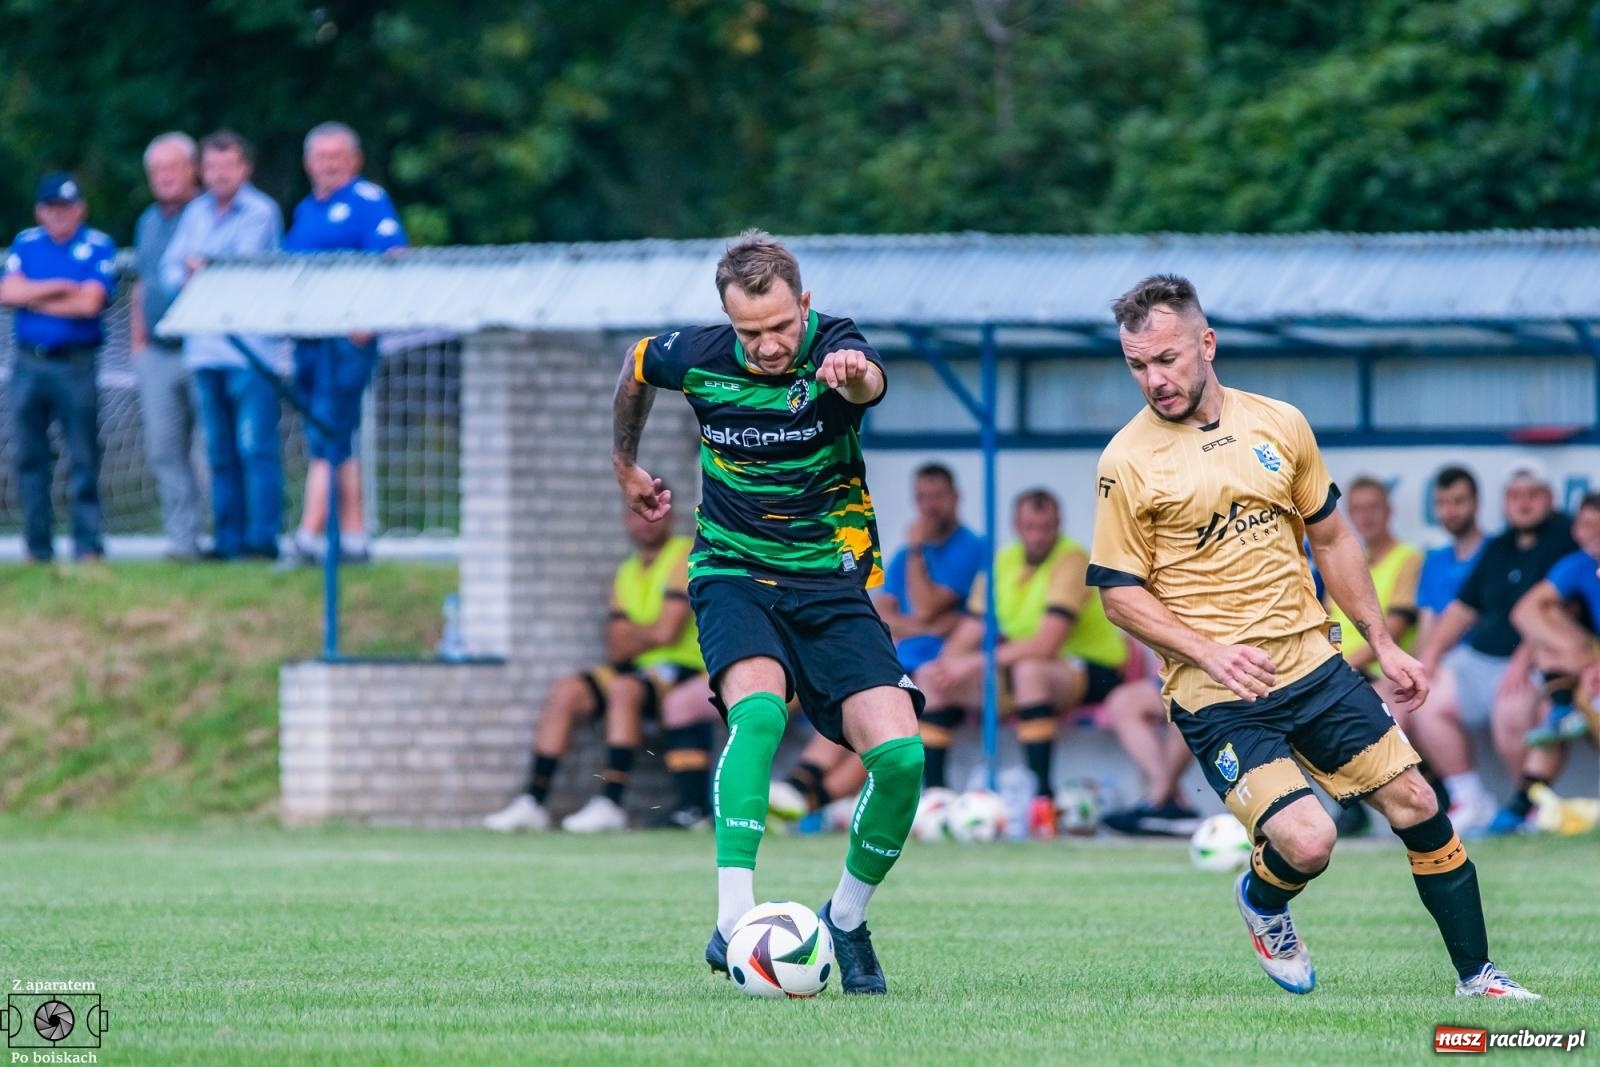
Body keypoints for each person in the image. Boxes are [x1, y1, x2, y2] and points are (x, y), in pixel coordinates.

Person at [1089, 273, 1536, 999]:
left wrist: (1383, 643)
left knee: (1419, 803)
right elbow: (1118, 594)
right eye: (1138, 365)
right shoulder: (1126, 462)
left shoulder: (1279, 423)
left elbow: (1332, 539)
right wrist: (1206, 651)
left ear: (1206, 343)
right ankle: (1264, 901)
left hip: (1314, 666)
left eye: (1167, 358)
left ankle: (1478, 977)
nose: (1154, 379)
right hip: (1217, 693)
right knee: (1309, 839)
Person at [612, 230, 924, 995]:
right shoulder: (699, 353)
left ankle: (846, 919)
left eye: (782, 327)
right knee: (758, 716)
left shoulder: (837, 344)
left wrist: (851, 377)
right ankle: (733, 922)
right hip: (733, 570)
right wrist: (624, 463)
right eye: (751, 332)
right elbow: (637, 366)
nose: (769, 345)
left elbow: (867, 385)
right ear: (728, 318)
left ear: (804, 305)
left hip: (830, 582)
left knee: (902, 758)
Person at [483, 502, 717, 832]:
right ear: (626, 519)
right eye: (638, 513)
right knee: (567, 691)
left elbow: (668, 631)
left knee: (623, 689)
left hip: (683, 668)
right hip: (638, 671)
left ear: (671, 516)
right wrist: (646, 635)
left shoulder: (683, 554)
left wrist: (636, 633)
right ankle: (533, 802)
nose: (645, 522)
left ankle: (610, 802)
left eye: (655, 513)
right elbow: (617, 646)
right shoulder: (628, 571)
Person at [770, 462, 984, 820]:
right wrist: (925, 623)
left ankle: (801, 799)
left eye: (937, 497)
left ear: (956, 498)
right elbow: (882, 614)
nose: (929, 506)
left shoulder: (968, 547)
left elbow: (929, 607)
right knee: (853, 707)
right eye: (922, 497)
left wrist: (918, 554)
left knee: (873, 727)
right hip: (900, 661)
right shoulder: (902, 556)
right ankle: (798, 790)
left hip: (941, 672)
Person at [918, 488, 1128, 836]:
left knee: (1029, 671)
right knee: (930, 676)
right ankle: (935, 800)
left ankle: (1041, 801)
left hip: (1093, 670)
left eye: (1045, 527)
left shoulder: (1072, 559)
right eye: (1030, 526)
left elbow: (1046, 643)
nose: (1038, 535)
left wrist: (971, 665)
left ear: (1058, 524)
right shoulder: (1004, 561)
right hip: (1017, 670)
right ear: (1017, 525)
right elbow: (971, 628)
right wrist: (948, 666)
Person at [1409, 467, 1574, 832]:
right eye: (1515, 496)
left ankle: (1529, 807)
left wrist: (1523, 658)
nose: (1524, 504)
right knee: (1427, 698)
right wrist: (1432, 654)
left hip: (1533, 661)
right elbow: (1462, 609)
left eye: (1533, 495)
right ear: (1504, 503)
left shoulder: (1564, 538)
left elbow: (1563, 610)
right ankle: (1470, 799)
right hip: (1481, 656)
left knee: (1511, 710)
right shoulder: (1499, 546)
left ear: (1549, 499)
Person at [281, 121, 407, 565]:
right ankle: (354, 537)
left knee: (327, 431)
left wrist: (368, 318)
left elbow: (395, 259)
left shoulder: (368, 202)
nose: (329, 165)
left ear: (354, 160)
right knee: (338, 436)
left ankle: (307, 538)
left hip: (348, 338)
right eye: (321, 157)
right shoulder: (305, 210)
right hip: (311, 339)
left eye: (337, 157)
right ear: (308, 163)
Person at [161, 130, 285, 560]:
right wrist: (202, 268)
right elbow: (170, 272)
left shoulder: (261, 211)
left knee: (255, 447)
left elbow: (238, 271)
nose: (218, 175)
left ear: (244, 168)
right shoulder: (195, 213)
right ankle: (228, 540)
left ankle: (261, 539)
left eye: (226, 166)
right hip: (204, 350)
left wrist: (203, 266)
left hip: (249, 352)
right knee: (218, 451)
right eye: (210, 168)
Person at [0, 173, 116, 563]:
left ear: (80, 209)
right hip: (29, 362)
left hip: (75, 363)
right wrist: (63, 286)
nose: (59, 215)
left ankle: (87, 544)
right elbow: (7, 293)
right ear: (40, 211)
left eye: (66, 207)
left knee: (82, 455)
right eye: (51, 207)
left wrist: (33, 296)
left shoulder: (96, 245)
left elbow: (89, 305)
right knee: (29, 456)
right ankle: (37, 545)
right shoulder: (26, 243)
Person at [131, 132, 205, 561]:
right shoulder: (148, 221)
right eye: (156, 171)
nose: (163, 178)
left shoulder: (206, 214)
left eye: (171, 168)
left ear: (192, 169)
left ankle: (232, 540)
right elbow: (143, 282)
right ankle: (183, 540)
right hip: (157, 352)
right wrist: (138, 342)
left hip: (202, 348)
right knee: (164, 449)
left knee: (211, 451)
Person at [1098, 672, 1202, 837]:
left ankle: (1158, 803)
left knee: (1187, 701)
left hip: (1225, 678)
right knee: (1123, 702)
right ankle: (1167, 801)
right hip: (1186, 672)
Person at [1417, 466, 1486, 639]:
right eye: (1442, 503)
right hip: (1437, 661)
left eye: (1458, 501)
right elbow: (1426, 630)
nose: (1450, 511)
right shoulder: (1433, 562)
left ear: (1476, 502)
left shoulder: (1497, 552)